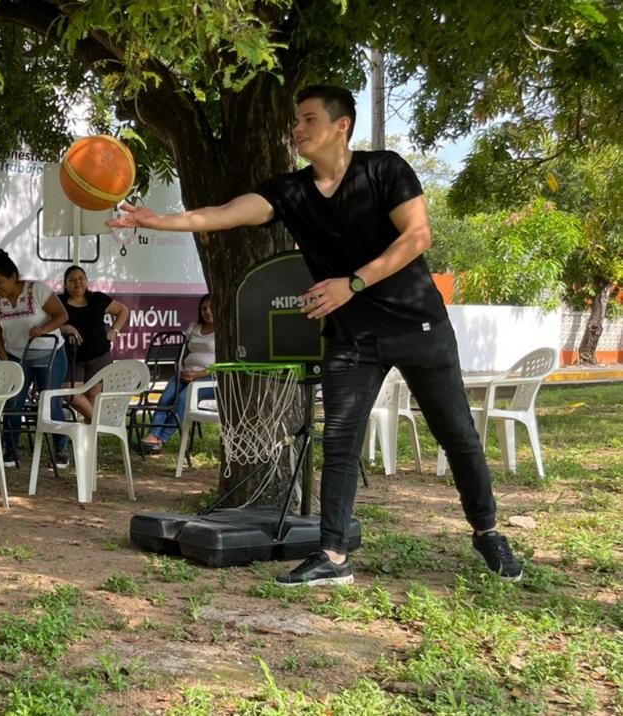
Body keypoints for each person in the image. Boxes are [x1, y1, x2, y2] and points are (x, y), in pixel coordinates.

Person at [109, 84, 523, 587]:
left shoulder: (385, 170)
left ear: (341, 125)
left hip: (418, 327)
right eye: (296, 120)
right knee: (342, 441)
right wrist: (160, 220)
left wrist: (351, 284)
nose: (297, 129)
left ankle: (487, 531)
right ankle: (333, 556)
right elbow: (225, 213)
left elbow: (418, 237)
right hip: (352, 338)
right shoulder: (292, 191)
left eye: (307, 119)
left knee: (457, 435)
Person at [0, 249, 70, 469]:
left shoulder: (37, 290)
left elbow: (62, 316)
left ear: (14, 277)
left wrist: (44, 329)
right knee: (13, 401)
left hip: (49, 353)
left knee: (49, 399)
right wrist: (6, 360)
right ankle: (10, 450)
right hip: (16, 355)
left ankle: (61, 447)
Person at [140, 294, 215, 451]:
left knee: (183, 399)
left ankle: (160, 438)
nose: (207, 311)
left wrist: (197, 375)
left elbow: (221, 364)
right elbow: (183, 353)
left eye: (211, 307)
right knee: (165, 398)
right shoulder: (194, 328)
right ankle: (153, 435)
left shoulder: (223, 332)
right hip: (185, 374)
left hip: (209, 379)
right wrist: (181, 369)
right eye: (204, 308)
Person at [58, 265, 129, 420]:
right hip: (72, 358)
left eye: (81, 278)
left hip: (99, 356)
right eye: (72, 280)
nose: (78, 282)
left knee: (92, 396)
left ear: (87, 281)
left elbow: (123, 310)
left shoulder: (97, 299)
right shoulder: (58, 302)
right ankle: (100, 422)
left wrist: (114, 331)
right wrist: (66, 328)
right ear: (65, 284)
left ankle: (90, 439)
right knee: (71, 394)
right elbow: (49, 323)